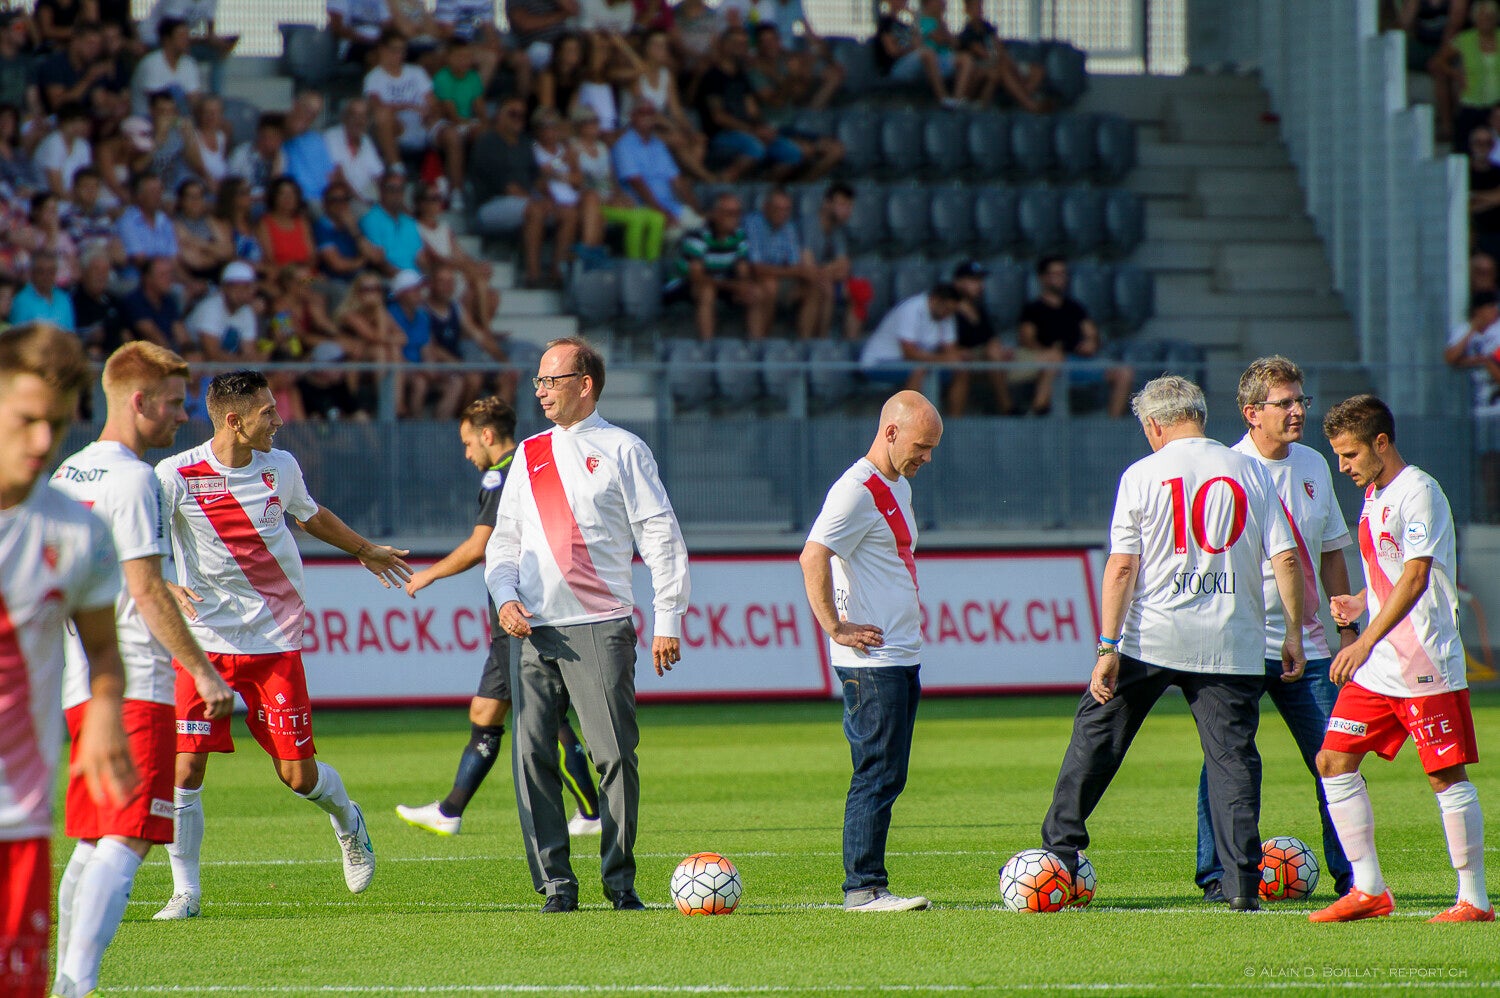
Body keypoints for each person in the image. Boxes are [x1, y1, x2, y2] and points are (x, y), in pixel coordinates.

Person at [151, 369, 413, 918]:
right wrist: (163, 581)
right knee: (185, 769)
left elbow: (310, 516)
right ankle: (185, 892)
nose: (279, 420)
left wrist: (364, 550)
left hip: (274, 638)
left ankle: (348, 820)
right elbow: (142, 538)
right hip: (204, 643)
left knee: (298, 775)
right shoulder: (176, 474)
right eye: (267, 412)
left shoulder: (281, 466)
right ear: (233, 420)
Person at [1040, 375, 1305, 911]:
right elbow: (1286, 557)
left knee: (1096, 738)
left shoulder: (1142, 474)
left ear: (1155, 424)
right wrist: (1294, 632)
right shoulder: (1251, 470)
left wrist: (1107, 647)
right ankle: (1241, 886)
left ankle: (1058, 856)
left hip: (1151, 637)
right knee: (1232, 762)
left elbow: (1122, 567)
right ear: (1200, 416)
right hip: (1231, 639)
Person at [49, 342, 236, 998]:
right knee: (128, 838)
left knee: (93, 839)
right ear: (139, 401)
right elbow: (147, 589)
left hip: (81, 680)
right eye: (175, 403)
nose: (185, 416)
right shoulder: (136, 480)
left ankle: (62, 978)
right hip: (135, 683)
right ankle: (75, 985)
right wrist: (203, 674)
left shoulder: (70, 471)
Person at [484, 336, 690, 912]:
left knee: (615, 755)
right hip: (530, 629)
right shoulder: (529, 453)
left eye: (551, 380)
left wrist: (668, 617)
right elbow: (504, 541)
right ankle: (555, 884)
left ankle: (619, 882)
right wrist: (504, 597)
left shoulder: (624, 449)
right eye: (538, 381)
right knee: (531, 757)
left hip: (600, 625)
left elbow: (660, 535)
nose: (541, 391)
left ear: (585, 384)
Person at [1310, 395, 1493, 923]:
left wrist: (1362, 640)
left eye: (1349, 454)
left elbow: (1416, 577)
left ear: (1381, 442)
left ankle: (1475, 899)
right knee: (1333, 761)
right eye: (1338, 455)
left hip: (1424, 661)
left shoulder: (1420, 492)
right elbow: (1389, 575)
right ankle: (1369, 889)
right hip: (1379, 667)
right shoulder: (1374, 494)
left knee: (1444, 776)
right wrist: (1360, 601)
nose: (1342, 466)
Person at [396, 397, 602, 837]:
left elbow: (480, 546)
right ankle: (451, 811)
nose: (467, 453)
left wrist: (427, 575)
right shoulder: (531, 464)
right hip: (524, 609)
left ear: (487, 435)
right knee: (488, 711)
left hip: (517, 616)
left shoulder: (500, 475)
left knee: (545, 717)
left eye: (468, 442)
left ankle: (590, 814)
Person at [0, 323, 134, 998]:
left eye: (55, 424)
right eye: (25, 421)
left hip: (18, 821)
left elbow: (103, 646)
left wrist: (106, 708)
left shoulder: (79, 532)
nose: (42, 442)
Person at [1191, 357, 1356, 904]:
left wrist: (1347, 628)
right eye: (1284, 403)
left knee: (1336, 759)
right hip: (1239, 643)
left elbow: (1331, 549)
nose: (1297, 411)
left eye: (1300, 400)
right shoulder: (1226, 468)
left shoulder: (1314, 464)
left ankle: (1354, 878)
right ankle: (1217, 876)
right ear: (1251, 413)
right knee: (1225, 763)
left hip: (1308, 645)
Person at [800, 390, 942, 913]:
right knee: (876, 772)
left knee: (888, 773)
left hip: (900, 654)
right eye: (921, 446)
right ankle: (863, 888)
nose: (927, 457)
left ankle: (868, 884)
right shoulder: (856, 490)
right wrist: (835, 627)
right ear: (891, 433)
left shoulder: (896, 484)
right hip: (873, 663)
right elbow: (812, 556)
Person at [1017, 256, 1132, 418]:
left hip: (1076, 361)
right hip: (1050, 363)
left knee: (1124, 372)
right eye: (1055, 274)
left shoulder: (1074, 307)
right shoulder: (1033, 309)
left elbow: (1091, 333)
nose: (1060, 278)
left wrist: (1091, 343)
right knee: (1054, 362)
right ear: (1043, 277)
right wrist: (1047, 353)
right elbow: (1027, 339)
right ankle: (1036, 413)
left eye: (1063, 274)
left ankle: (1112, 425)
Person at [666, 192, 771, 341]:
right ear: (715, 214)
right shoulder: (697, 235)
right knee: (707, 291)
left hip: (721, 283)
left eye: (737, 213)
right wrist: (733, 286)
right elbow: (697, 277)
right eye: (729, 213)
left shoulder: (739, 235)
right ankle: (708, 347)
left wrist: (744, 286)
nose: (734, 217)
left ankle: (757, 345)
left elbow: (742, 270)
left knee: (756, 292)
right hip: (684, 284)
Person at [858, 283, 967, 414]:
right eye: (947, 309)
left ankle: (955, 421)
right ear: (935, 300)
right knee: (920, 369)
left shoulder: (947, 316)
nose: (948, 314)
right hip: (879, 362)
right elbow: (909, 353)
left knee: (961, 369)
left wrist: (957, 357)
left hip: (916, 363)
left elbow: (950, 350)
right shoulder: (911, 309)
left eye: (951, 311)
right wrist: (944, 358)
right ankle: (910, 423)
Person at [746, 186, 821, 339]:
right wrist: (793, 272)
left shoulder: (789, 227)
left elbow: (795, 264)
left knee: (815, 285)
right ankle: (763, 343)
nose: (782, 214)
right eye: (777, 209)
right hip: (752, 279)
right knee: (770, 284)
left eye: (786, 210)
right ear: (766, 207)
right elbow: (756, 269)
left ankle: (805, 344)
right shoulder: (752, 223)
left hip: (781, 279)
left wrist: (799, 273)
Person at [948, 259, 1015, 416]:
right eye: (973, 280)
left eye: (980, 281)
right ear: (958, 283)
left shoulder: (979, 309)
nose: (979, 285)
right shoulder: (949, 308)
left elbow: (991, 338)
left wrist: (1001, 350)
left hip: (986, 359)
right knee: (990, 355)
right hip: (960, 359)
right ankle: (1007, 408)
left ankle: (1037, 413)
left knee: (1049, 359)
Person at [186, 260, 259, 361]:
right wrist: (242, 363)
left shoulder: (247, 311)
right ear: (225, 288)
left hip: (229, 366)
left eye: (246, 288)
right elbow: (213, 354)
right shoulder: (210, 308)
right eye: (237, 287)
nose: (242, 293)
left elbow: (249, 352)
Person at [1444, 289, 1500, 413]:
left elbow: (1494, 358)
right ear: (1478, 310)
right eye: (1490, 307)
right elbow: (1450, 358)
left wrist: (1485, 360)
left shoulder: (1498, 329)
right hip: (1471, 401)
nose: (1495, 311)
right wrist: (1472, 330)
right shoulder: (1463, 329)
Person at [10, 251, 75, 331]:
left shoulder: (64, 299)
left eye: (51, 272)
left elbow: (70, 333)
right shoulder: (20, 301)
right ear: (32, 273)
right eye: (41, 271)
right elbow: (18, 336)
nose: (46, 276)